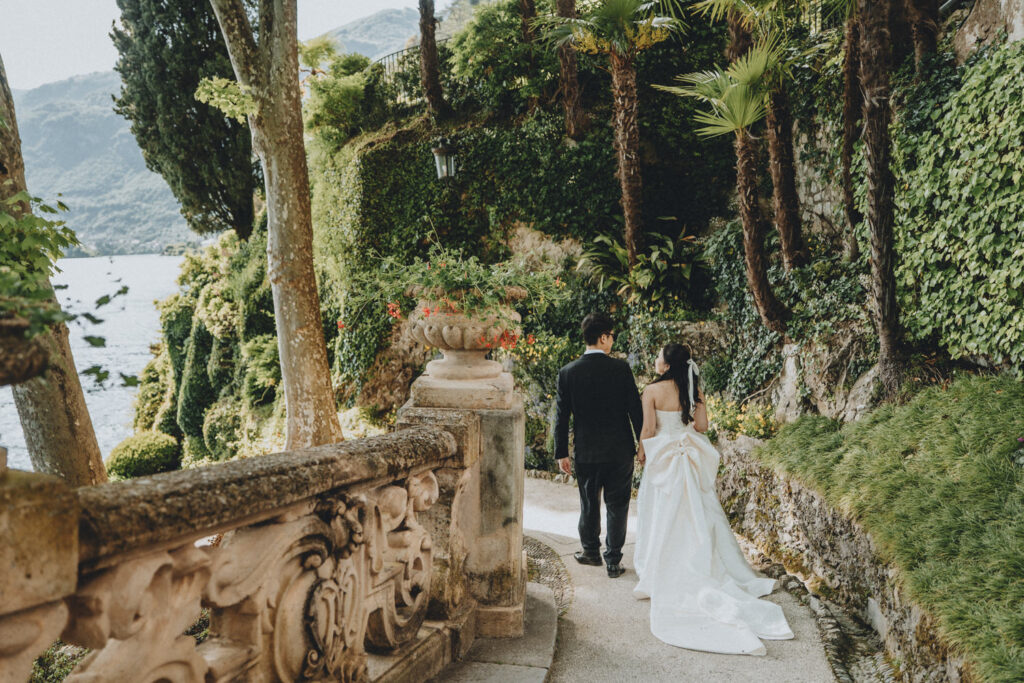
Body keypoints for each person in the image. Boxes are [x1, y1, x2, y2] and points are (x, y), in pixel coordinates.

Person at [633, 342, 794, 655]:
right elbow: (702, 426)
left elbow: (649, 428)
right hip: (687, 456)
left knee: (659, 511)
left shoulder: (651, 391)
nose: (655, 359)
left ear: (665, 362)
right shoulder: (693, 389)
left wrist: (641, 453)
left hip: (664, 458)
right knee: (700, 511)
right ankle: (705, 561)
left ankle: (657, 566)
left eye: (658, 355)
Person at [553, 312, 643, 578]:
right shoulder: (621, 369)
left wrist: (561, 452)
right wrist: (643, 444)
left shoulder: (567, 373)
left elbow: (561, 417)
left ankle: (590, 552)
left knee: (589, 502)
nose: (612, 341)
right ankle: (613, 560)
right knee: (618, 505)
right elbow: (635, 411)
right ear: (603, 337)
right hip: (619, 452)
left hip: (587, 451)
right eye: (612, 336)